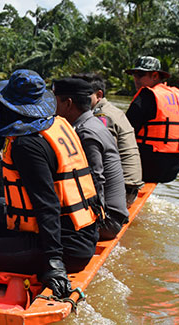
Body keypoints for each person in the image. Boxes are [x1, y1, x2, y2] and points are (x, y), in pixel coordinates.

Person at [0, 70, 100, 299]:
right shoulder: (57, 124)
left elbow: (48, 204)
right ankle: (0, 252)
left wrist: (54, 261)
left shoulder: (27, 145)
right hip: (83, 232)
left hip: (64, 247)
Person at [53, 77, 129, 240]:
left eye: (55, 101)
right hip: (110, 215)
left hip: (108, 221)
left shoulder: (86, 133)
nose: (52, 107)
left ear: (68, 103)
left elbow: (95, 183)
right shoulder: (92, 124)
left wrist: (90, 228)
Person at [74, 73, 144, 207]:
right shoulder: (111, 110)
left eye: (83, 94)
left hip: (122, 191)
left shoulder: (102, 117)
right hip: (128, 186)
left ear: (99, 95)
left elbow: (101, 159)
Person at [125, 56, 179, 183]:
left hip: (151, 165)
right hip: (174, 167)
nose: (136, 79)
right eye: (134, 75)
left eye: (140, 75)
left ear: (155, 76)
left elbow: (125, 130)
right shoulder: (178, 95)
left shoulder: (146, 96)